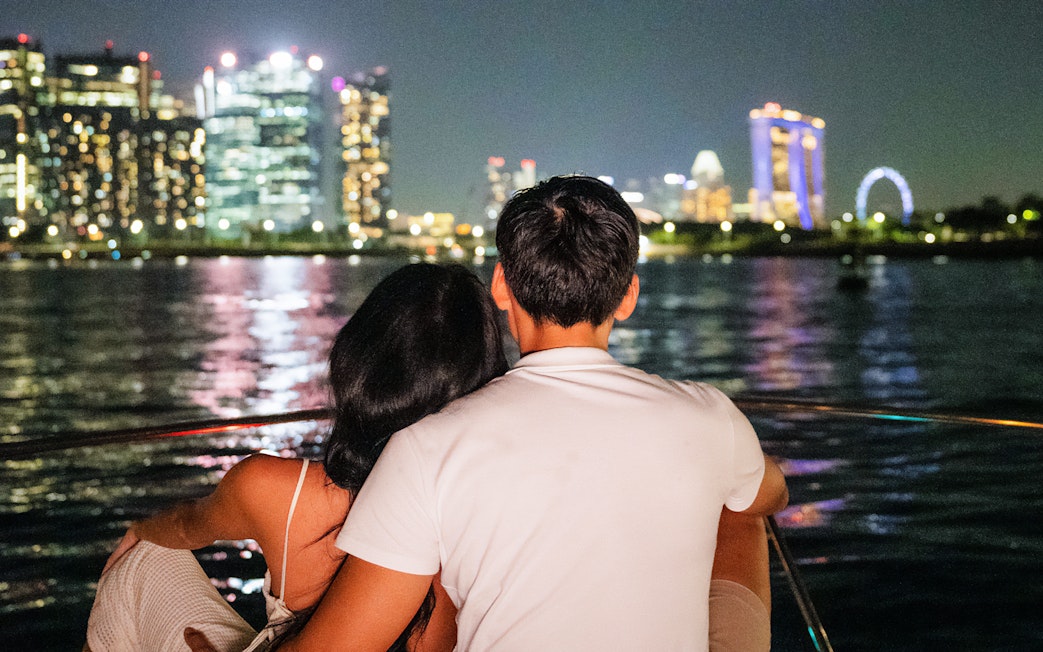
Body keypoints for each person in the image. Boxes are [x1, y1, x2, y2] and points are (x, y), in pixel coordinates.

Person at [273, 175, 788, 651]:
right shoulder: (710, 415)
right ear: (628, 297)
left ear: (501, 286)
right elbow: (771, 493)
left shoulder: (425, 449)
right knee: (740, 509)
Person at [84, 262, 509, 652]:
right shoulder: (486, 508)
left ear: (355, 361)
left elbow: (184, 526)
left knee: (143, 560)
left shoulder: (274, 489)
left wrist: (139, 528)